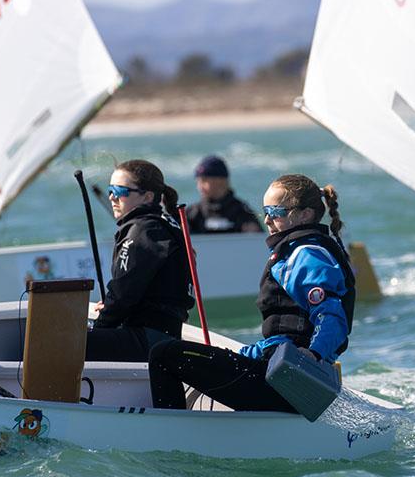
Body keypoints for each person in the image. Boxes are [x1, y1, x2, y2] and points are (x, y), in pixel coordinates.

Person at [149, 174, 355, 412]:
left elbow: (331, 316)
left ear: (305, 214)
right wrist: (246, 353)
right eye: (265, 211)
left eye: (275, 211)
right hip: (275, 369)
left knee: (163, 353)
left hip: (286, 381)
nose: (267, 219)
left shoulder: (306, 255)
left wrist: (314, 354)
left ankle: (171, 433)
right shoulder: (296, 250)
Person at [85, 159, 195, 362]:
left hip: (149, 341)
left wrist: (101, 324)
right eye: (110, 190)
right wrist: (110, 309)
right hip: (161, 336)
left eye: (120, 191)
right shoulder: (161, 225)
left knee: (65, 343)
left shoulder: (143, 231)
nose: (111, 197)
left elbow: (123, 294)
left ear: (147, 197)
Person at [186, 155, 262, 234]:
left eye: (204, 181)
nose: (199, 186)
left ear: (221, 180)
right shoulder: (192, 213)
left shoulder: (242, 211)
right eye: (198, 181)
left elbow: (257, 241)